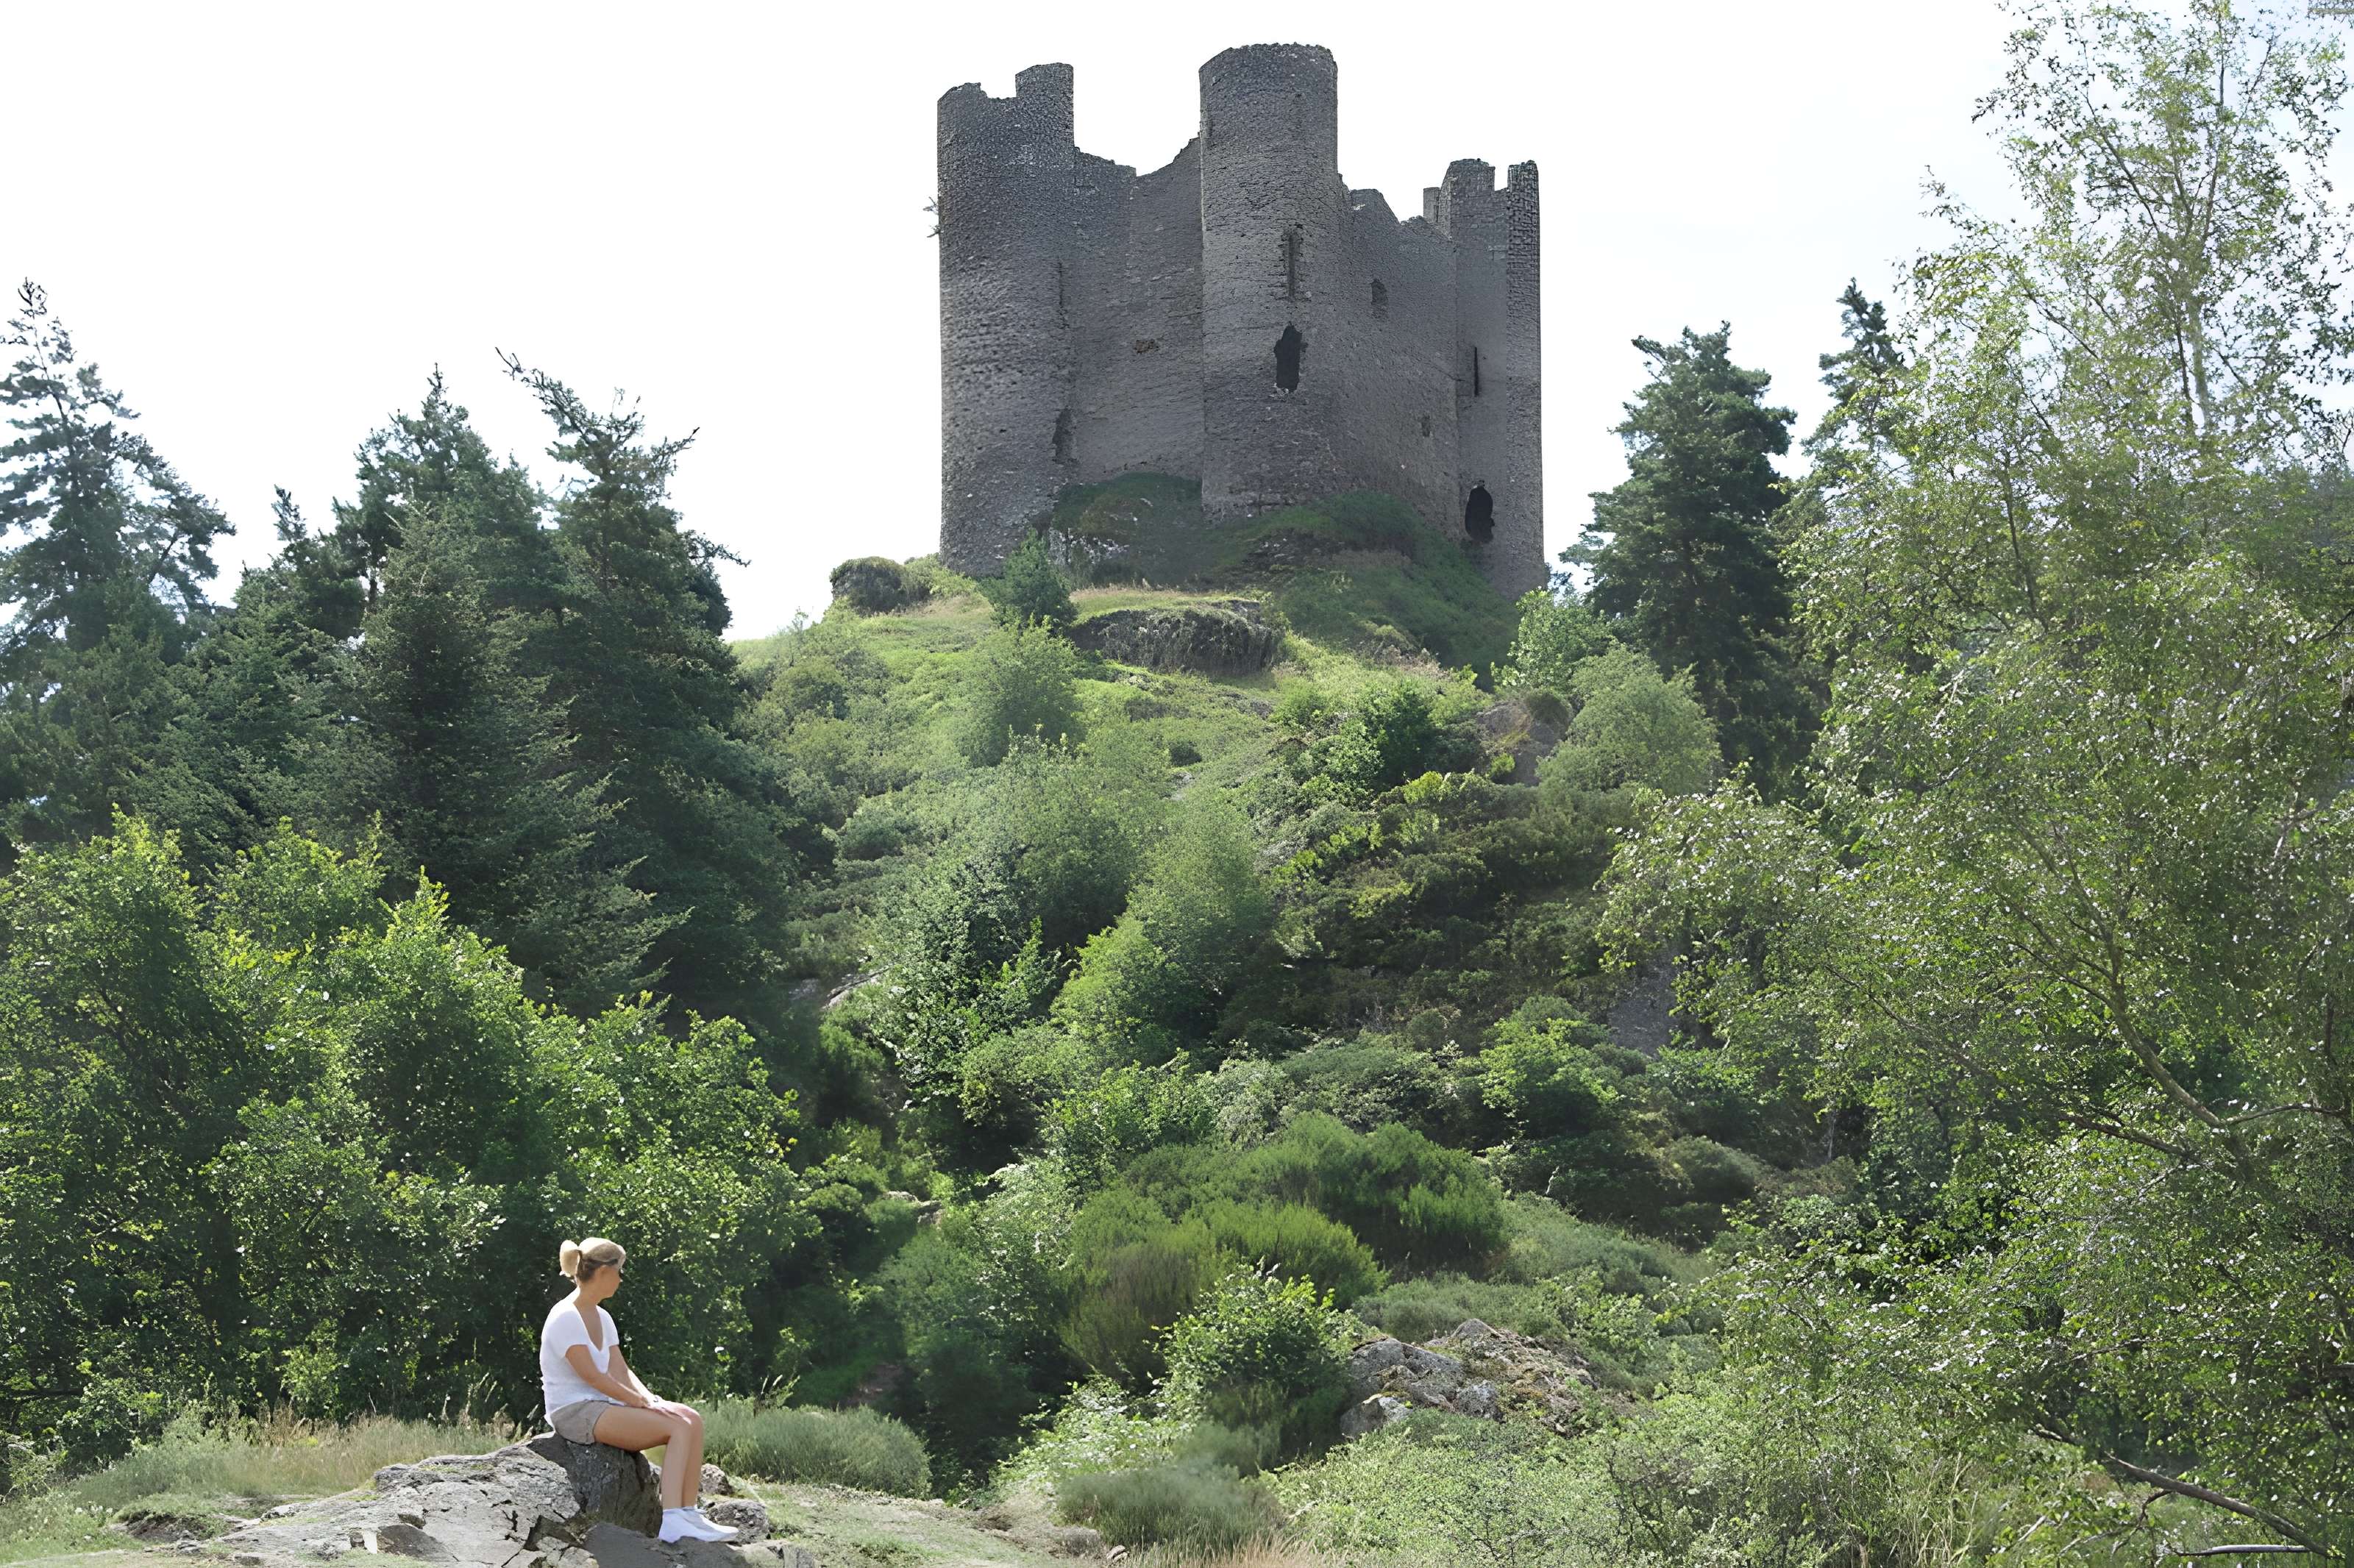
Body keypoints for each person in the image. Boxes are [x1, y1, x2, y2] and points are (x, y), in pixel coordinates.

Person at [540, 1236, 736, 1544]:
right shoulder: (565, 1316)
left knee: (690, 1418)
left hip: (602, 1404)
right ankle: (672, 1521)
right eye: (619, 1271)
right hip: (575, 1412)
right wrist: (641, 1404)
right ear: (604, 1272)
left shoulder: (603, 1317)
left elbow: (620, 1371)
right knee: (675, 1428)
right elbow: (594, 1377)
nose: (620, 1279)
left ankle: (688, 1512)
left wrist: (652, 1400)